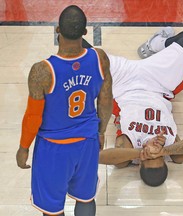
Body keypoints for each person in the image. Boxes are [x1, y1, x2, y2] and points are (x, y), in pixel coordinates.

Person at [83, 24, 183, 187]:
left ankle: (159, 46)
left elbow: (99, 157)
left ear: (140, 163)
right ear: (164, 161)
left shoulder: (126, 155)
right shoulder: (175, 152)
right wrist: (166, 151)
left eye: (148, 158)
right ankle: (157, 44)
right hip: (160, 84)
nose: (153, 152)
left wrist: (141, 152)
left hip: (121, 85)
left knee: (71, 43)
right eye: (157, 158)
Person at [16, 5, 112, 216]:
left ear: (57, 30)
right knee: (86, 198)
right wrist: (101, 132)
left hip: (54, 149)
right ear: (85, 32)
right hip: (87, 143)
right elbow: (106, 102)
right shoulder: (99, 58)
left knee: (52, 208)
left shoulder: (42, 71)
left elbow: (33, 116)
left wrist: (24, 147)